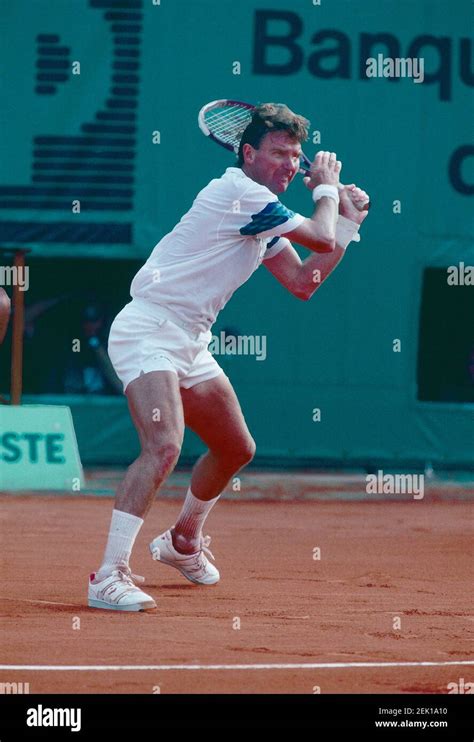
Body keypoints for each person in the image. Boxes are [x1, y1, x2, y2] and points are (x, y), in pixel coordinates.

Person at [88, 103, 370, 611]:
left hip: (191, 340)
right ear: (247, 153)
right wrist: (328, 190)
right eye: (280, 153)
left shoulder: (263, 215)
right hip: (149, 328)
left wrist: (346, 224)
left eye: (298, 155)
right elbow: (319, 234)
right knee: (164, 446)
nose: (291, 163)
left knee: (236, 448)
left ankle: (182, 540)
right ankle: (108, 574)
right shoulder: (238, 193)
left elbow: (304, 281)